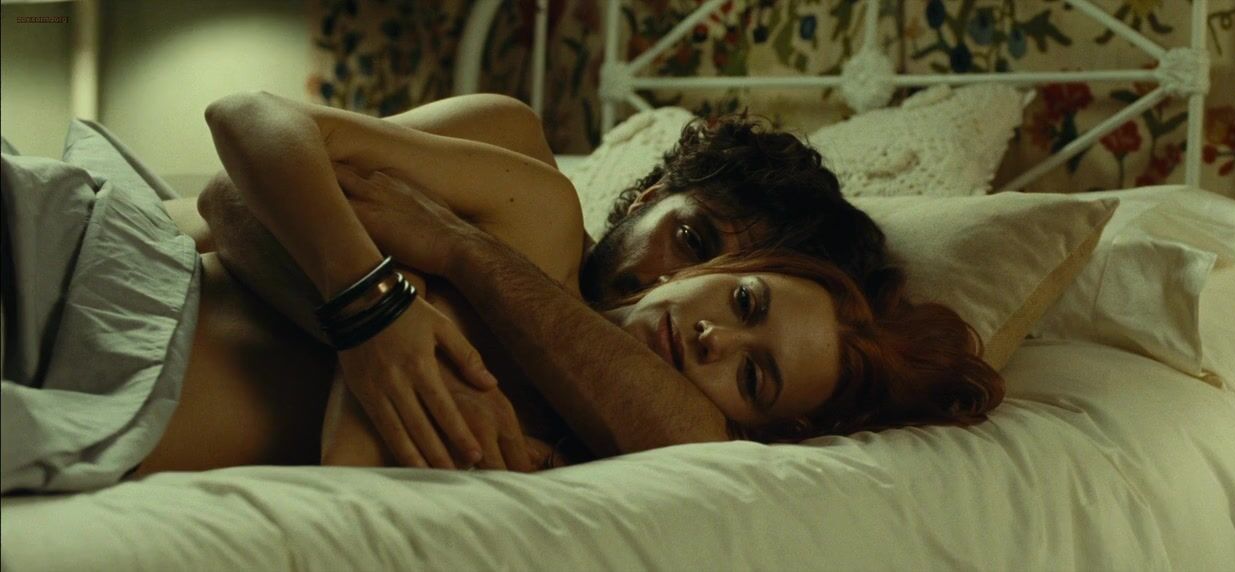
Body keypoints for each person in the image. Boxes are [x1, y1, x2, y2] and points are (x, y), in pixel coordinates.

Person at [139, 92, 1000, 474]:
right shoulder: (521, 177)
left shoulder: (632, 416)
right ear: (648, 197)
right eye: (690, 240)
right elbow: (233, 196)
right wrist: (382, 315)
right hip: (134, 248)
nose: (676, 286)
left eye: (756, 370)